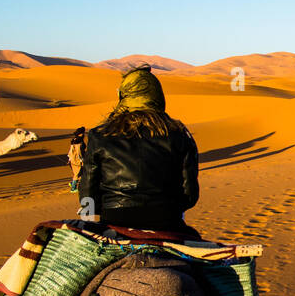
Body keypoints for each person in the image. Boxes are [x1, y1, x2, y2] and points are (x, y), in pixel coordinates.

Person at [77, 66, 200, 236]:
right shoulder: (179, 133)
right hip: (167, 221)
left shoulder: (99, 135)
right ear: (157, 95)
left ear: (123, 95)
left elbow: (87, 197)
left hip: (114, 222)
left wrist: (100, 213)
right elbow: (190, 195)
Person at [67, 127, 86, 192]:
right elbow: (78, 152)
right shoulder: (78, 141)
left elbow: (70, 151)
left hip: (73, 158)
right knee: (77, 174)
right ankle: (73, 188)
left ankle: (72, 183)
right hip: (76, 159)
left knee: (80, 172)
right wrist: (81, 159)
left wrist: (69, 158)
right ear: (80, 134)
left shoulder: (74, 140)